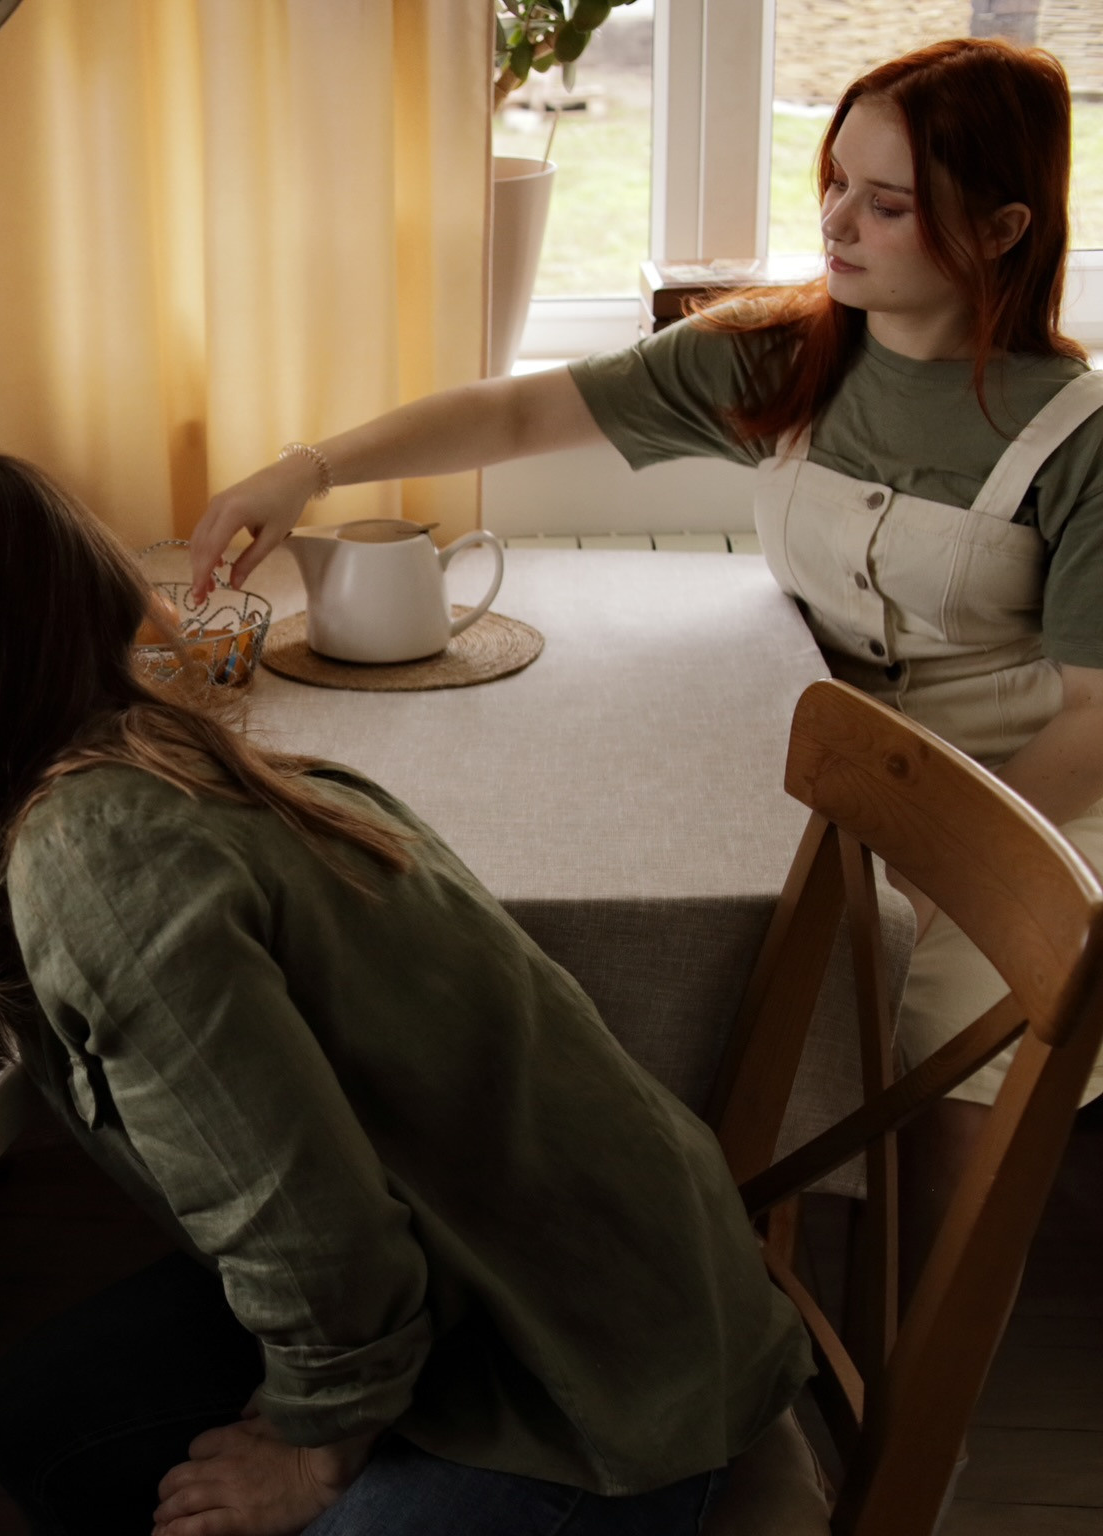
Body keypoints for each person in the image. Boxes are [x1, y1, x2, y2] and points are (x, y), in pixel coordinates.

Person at [188, 37, 1103, 1282]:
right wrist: (305, 469)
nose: (834, 218)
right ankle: (721, 1278)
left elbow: (1096, 716)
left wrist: (947, 856)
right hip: (831, 758)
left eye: (885, 204)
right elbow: (519, 413)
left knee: (945, 1082)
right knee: (707, 982)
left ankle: (910, 1384)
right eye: (835, 179)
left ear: (1000, 230)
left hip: (1024, 789)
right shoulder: (786, 354)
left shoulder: (1078, 437)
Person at [0, 452, 809, 1535]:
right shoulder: (129, 760)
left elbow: (319, 1251)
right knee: (41, 1419)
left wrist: (310, 1449)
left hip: (600, 1374)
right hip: (509, 1262)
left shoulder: (96, 864)